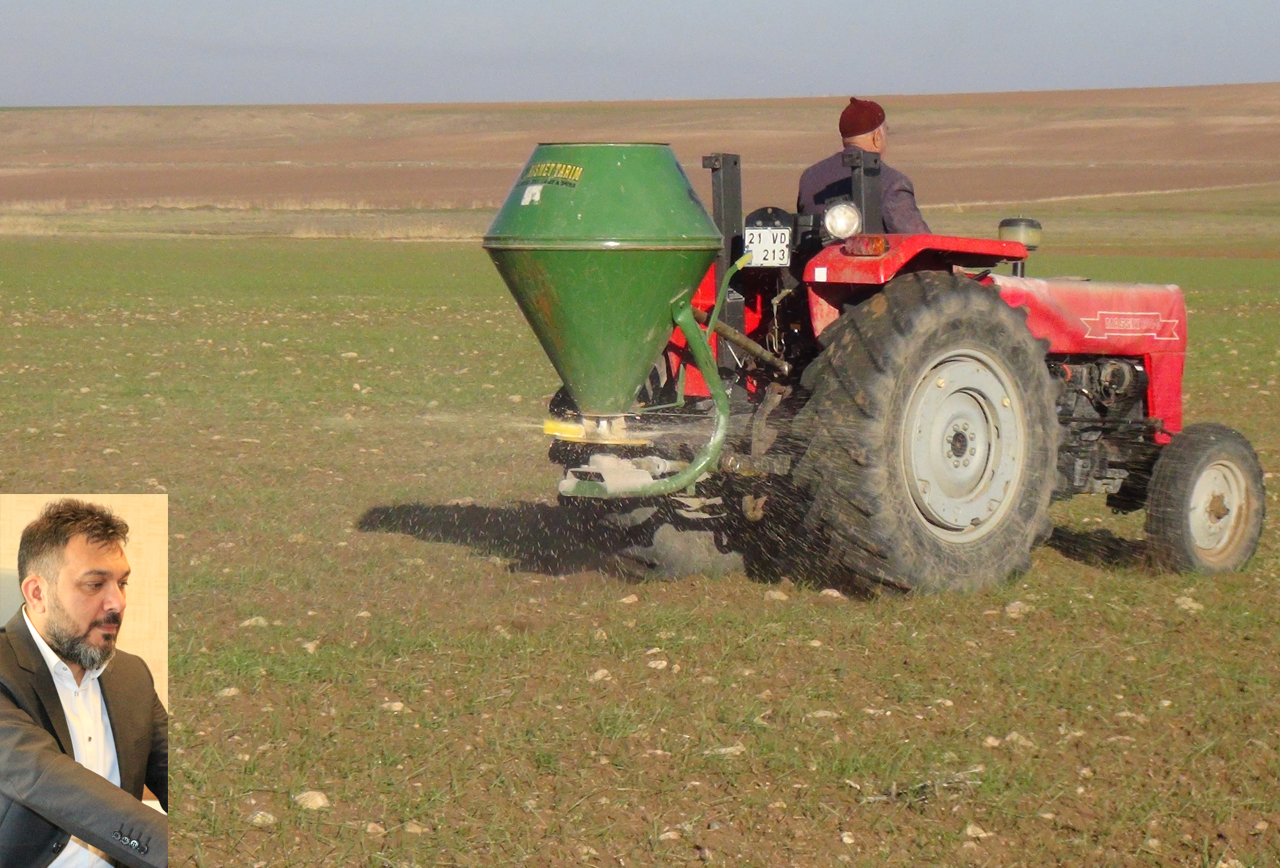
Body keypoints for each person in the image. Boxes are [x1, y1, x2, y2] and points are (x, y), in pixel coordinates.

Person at [0, 499, 167, 868]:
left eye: (122, 583)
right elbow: (42, 776)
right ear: (37, 593)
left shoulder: (132, 675)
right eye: (95, 584)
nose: (118, 602)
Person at [797, 96, 932, 235]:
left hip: (819, 257)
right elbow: (921, 243)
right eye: (887, 131)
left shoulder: (810, 177)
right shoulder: (892, 183)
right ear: (877, 137)